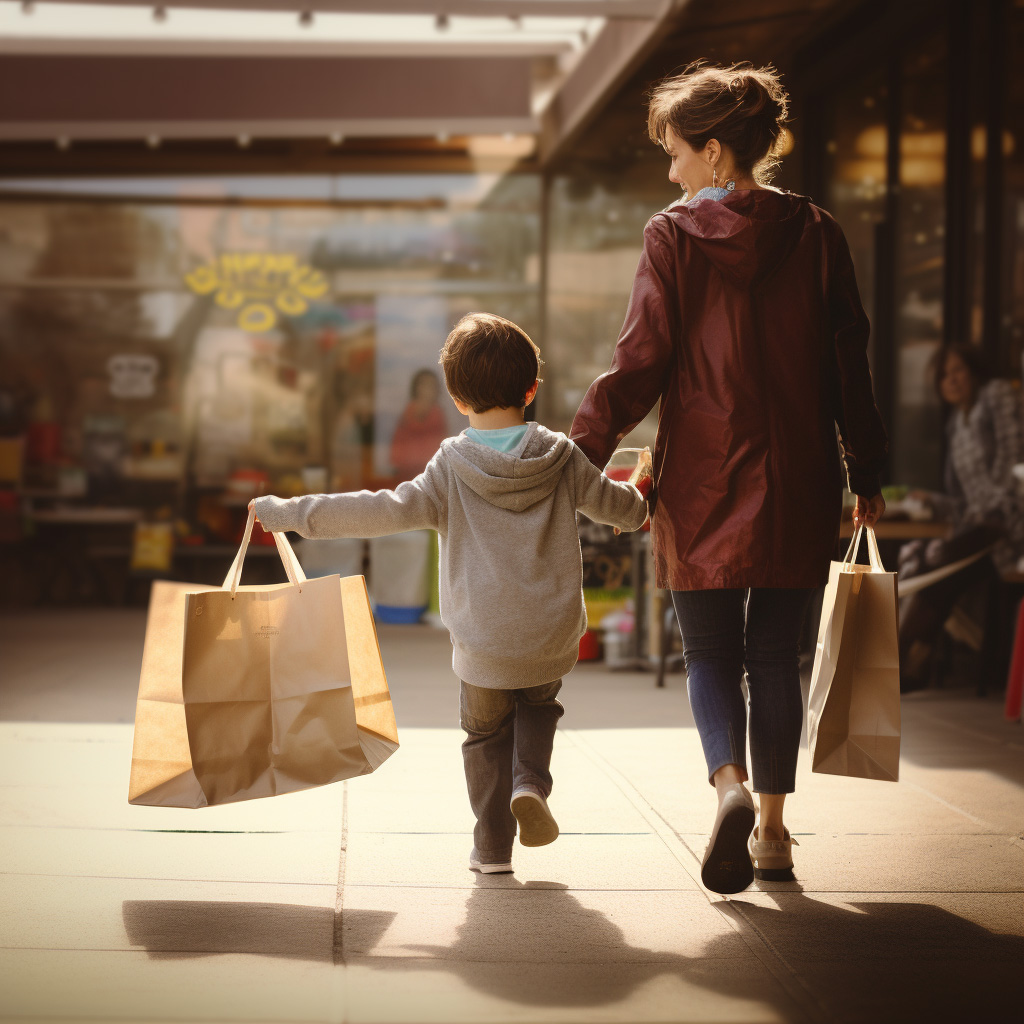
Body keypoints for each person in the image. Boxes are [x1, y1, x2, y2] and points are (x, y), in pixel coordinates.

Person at [569, 62, 888, 894]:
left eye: (675, 153)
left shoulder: (672, 237)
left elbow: (639, 364)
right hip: (797, 475)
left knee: (709, 653)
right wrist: (868, 469)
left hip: (702, 479)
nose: (669, 171)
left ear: (714, 152)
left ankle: (730, 788)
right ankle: (775, 836)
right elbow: (849, 362)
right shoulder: (817, 233)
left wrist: (579, 456)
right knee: (775, 657)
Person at [252, 313, 650, 875]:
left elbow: (381, 510)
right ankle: (531, 783)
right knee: (540, 704)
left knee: (483, 734)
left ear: (457, 397)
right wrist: (644, 490)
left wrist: (291, 515)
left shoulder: (450, 465)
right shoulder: (562, 457)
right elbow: (624, 511)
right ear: (531, 388)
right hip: (549, 631)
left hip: (483, 640)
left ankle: (491, 849)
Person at [898, 344, 1024, 691]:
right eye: (943, 376)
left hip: (1009, 524)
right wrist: (934, 500)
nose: (951, 380)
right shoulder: (957, 423)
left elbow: (1012, 462)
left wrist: (993, 511)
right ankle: (906, 663)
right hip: (981, 527)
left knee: (933, 561)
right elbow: (965, 502)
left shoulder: (996, 396)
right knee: (925, 563)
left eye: (958, 371)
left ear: (974, 372)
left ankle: (900, 662)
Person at [389, 368, 451, 480]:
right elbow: (398, 445)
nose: (427, 390)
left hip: (430, 475)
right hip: (406, 474)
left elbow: (441, 446)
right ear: (416, 388)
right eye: (423, 385)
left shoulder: (438, 415)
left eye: (431, 386)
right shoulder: (407, 414)